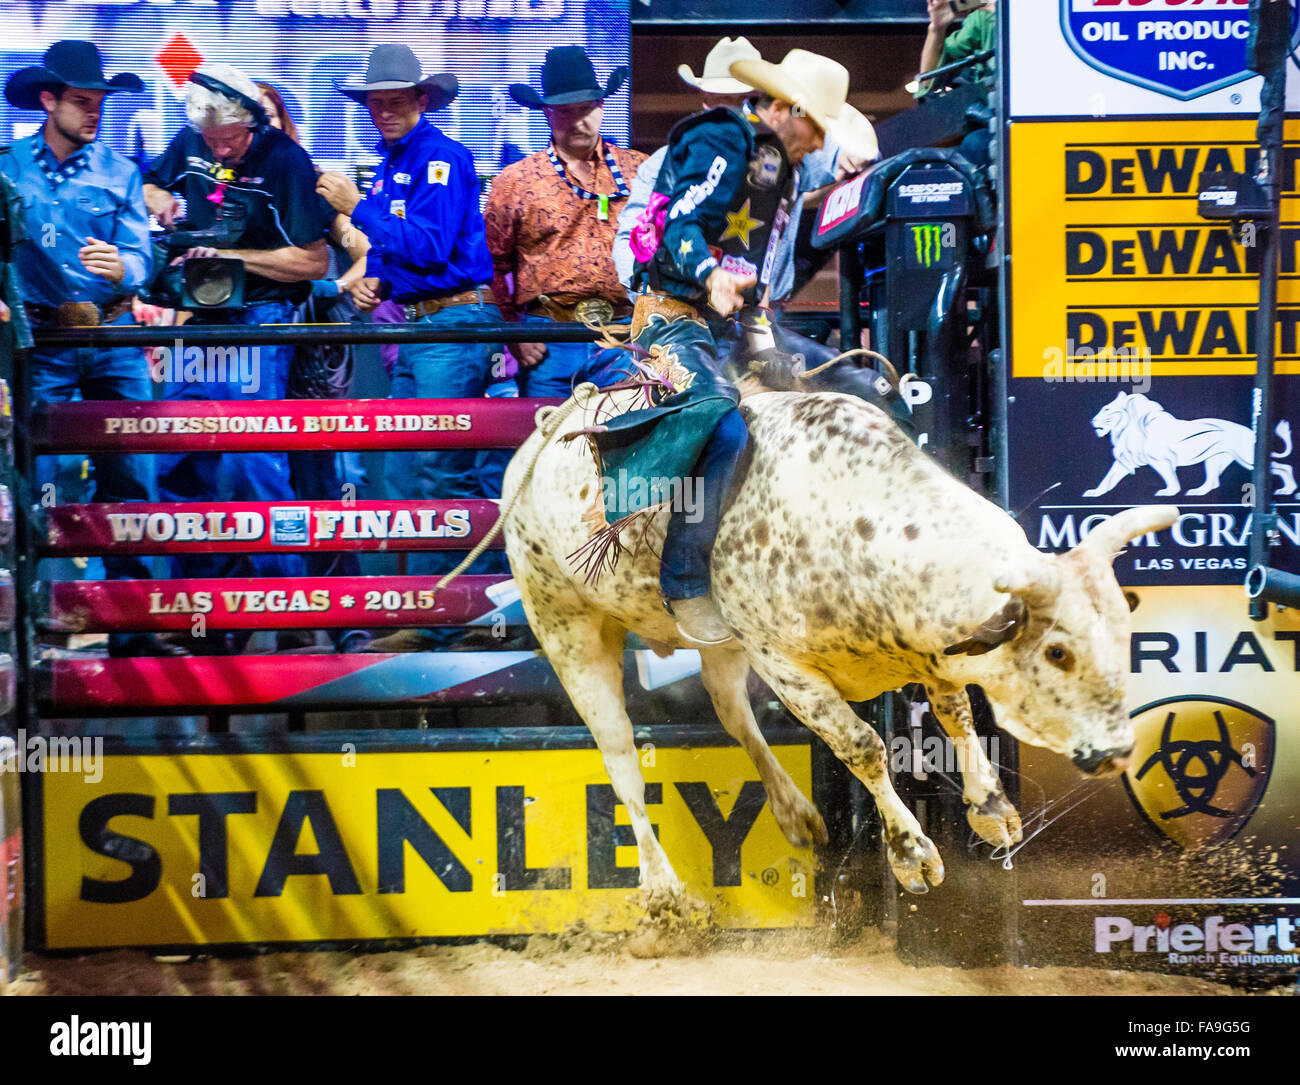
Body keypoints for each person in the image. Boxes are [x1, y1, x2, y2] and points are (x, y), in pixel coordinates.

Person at [593, 49, 877, 646]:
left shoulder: (781, 163)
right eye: (817, 129)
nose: (820, 143)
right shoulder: (719, 137)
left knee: (858, 389)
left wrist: (760, 331)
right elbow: (679, 225)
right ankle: (685, 583)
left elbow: (758, 259)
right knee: (722, 426)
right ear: (784, 109)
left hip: (738, 325)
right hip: (672, 318)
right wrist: (711, 275)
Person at [317, 44, 505, 653]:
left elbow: (430, 245)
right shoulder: (397, 161)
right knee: (403, 474)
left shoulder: (445, 158)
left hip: (451, 331)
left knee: (439, 473)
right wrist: (383, 281)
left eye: (396, 102)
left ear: (421, 101)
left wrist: (356, 208)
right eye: (376, 103)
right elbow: (421, 256)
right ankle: (427, 611)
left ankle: (458, 616)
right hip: (422, 328)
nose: (383, 113)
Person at [0, 41, 181, 658]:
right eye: (82, 101)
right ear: (48, 100)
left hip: (110, 338)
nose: (95, 112)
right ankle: (38, 623)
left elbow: (142, 259)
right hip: (41, 340)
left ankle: (136, 626)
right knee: (33, 480)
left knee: (132, 481)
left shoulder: (120, 171)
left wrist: (123, 268)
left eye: (100, 101)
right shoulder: (7, 170)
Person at [143, 63, 326, 641]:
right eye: (211, 141)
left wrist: (234, 258)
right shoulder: (191, 140)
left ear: (250, 121)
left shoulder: (285, 161)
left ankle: (288, 606)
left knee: (254, 461)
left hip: (262, 315)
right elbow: (149, 183)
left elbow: (314, 262)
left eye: (229, 140)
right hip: (197, 316)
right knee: (179, 456)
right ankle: (193, 612)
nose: (219, 149)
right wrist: (162, 204)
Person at [613, 37, 877, 307]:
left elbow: (839, 152)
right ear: (705, 99)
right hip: (686, 307)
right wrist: (653, 301)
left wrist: (850, 152)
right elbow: (632, 239)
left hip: (762, 309)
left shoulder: (787, 155)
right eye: (724, 100)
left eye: (745, 101)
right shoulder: (666, 162)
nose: (736, 111)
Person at [257, 80, 374, 653]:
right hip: (244, 353)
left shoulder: (310, 184)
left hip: (309, 354)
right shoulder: (227, 188)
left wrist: (335, 288)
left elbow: (365, 247)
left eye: (270, 114)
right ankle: (289, 617)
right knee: (260, 483)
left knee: (321, 480)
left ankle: (346, 616)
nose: (262, 126)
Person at [484, 45, 646, 397]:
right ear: (547, 113)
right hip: (550, 336)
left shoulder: (640, 171)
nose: (578, 121)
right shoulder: (515, 181)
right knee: (548, 440)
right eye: (565, 112)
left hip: (624, 330)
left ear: (602, 108)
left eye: (586, 109)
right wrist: (513, 333)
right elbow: (491, 266)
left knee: (628, 442)